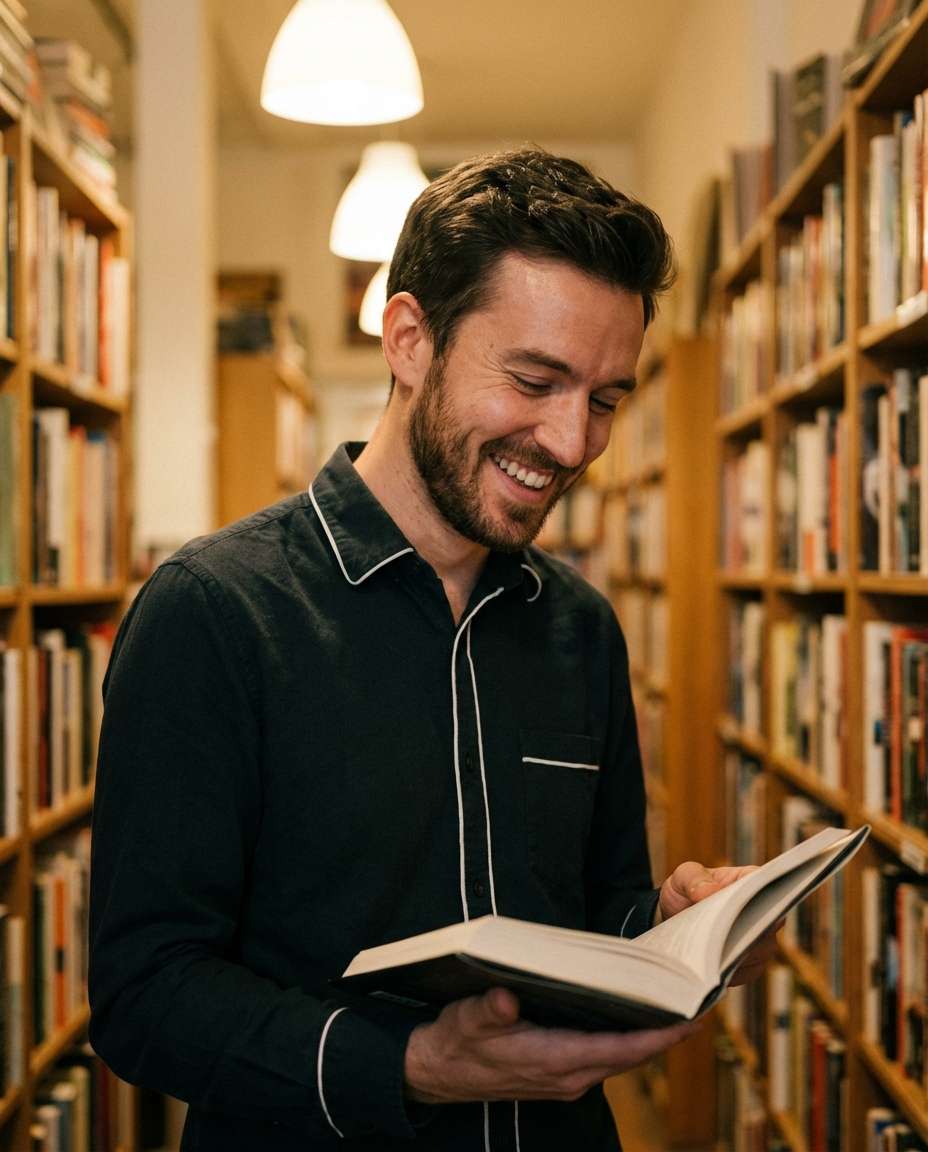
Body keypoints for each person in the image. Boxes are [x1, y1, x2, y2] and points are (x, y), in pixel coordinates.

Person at [89, 148, 775, 1152]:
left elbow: (597, 916)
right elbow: (144, 996)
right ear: (410, 339)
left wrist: (676, 934)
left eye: (605, 398)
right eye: (535, 379)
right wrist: (410, 1069)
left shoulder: (580, 627)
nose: (574, 442)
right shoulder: (213, 614)